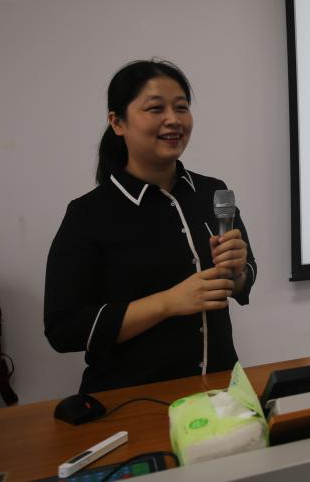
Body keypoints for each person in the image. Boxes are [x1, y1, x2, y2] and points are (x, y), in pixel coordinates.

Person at [44, 60, 256, 393]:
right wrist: (167, 303)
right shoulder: (88, 214)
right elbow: (63, 329)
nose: (174, 120)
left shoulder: (212, 192)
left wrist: (238, 271)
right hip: (133, 400)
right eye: (156, 108)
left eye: (181, 108)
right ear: (117, 122)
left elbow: (242, 281)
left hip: (220, 392)